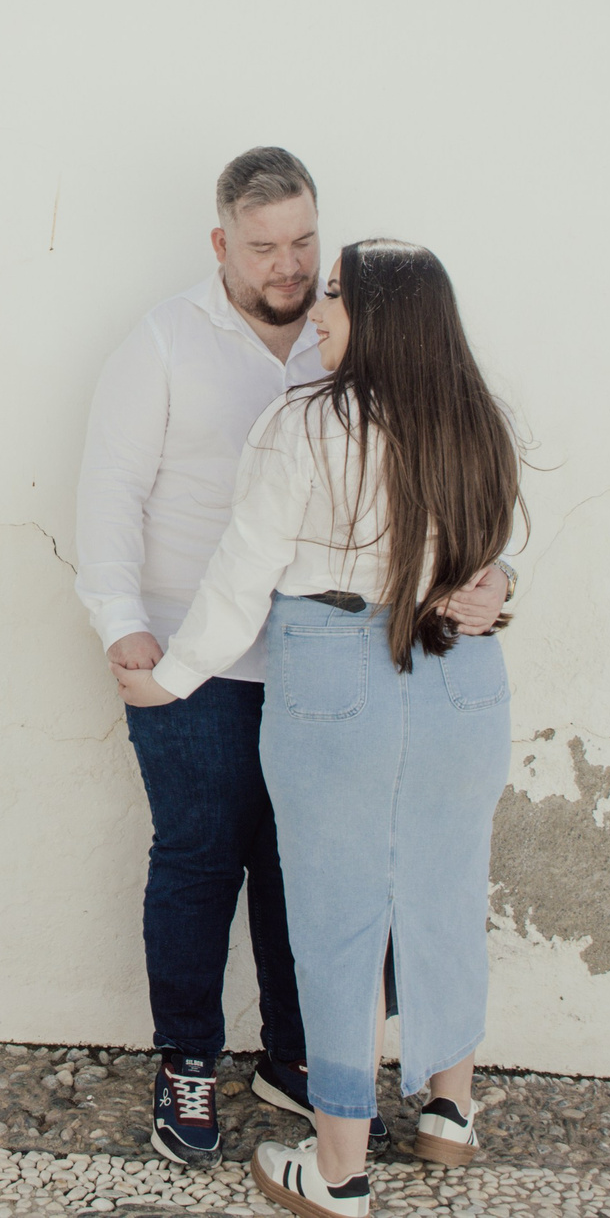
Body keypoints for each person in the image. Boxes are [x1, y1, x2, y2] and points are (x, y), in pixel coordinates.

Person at [76, 156, 510, 1168]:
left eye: (304, 243)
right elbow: (110, 495)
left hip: (334, 669)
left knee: (306, 874)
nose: (290, 266)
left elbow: (429, 498)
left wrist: (491, 579)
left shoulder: (356, 339)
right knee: (199, 858)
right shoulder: (164, 340)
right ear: (221, 244)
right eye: (264, 246)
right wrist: (123, 626)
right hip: (193, 655)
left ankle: (296, 1057)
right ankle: (188, 1061)